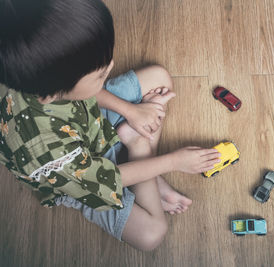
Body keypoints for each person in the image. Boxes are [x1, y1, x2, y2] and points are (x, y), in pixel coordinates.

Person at [0, 0, 221, 251]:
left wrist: (131, 111)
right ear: (52, 92)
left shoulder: (39, 80)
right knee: (152, 234)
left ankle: (144, 162)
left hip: (90, 122)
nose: (112, 67)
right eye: (101, 74)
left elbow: (83, 93)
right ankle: (141, 153)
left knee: (159, 78)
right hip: (80, 176)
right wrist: (174, 162)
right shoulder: (49, 156)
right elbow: (106, 180)